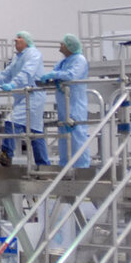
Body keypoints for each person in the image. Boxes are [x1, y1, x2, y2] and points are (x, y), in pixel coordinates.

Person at [0, 30, 49, 167]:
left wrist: (13, 84)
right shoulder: (18, 57)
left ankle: (7, 154)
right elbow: (5, 73)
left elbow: (26, 73)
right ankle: (44, 165)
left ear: (27, 41)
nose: (15, 41)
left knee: (11, 122)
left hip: (33, 96)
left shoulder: (33, 54)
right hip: (24, 97)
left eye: (19, 38)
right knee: (35, 132)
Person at [37, 34, 92, 168]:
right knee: (63, 135)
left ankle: (82, 166)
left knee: (77, 134)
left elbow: (72, 75)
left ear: (70, 46)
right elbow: (58, 74)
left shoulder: (80, 60)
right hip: (63, 103)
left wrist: (54, 75)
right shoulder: (62, 62)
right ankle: (65, 165)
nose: (60, 46)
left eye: (63, 44)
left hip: (75, 103)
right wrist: (50, 78)